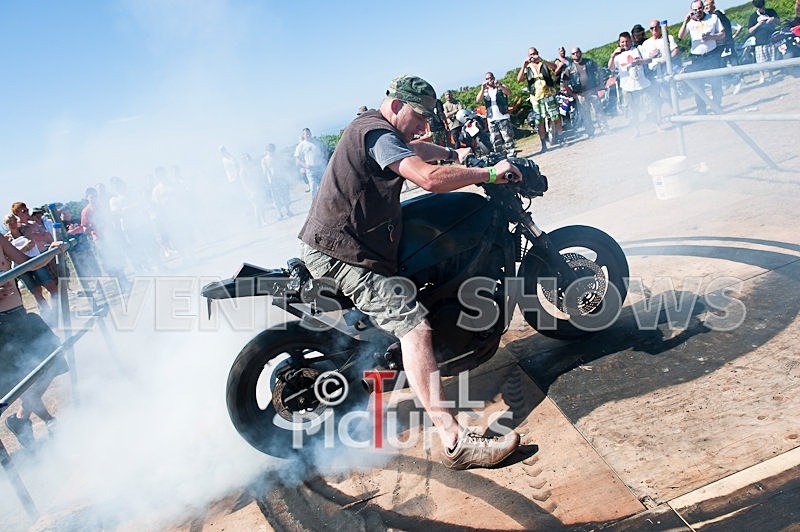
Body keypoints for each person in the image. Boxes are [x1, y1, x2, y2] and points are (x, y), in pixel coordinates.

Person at [298, 75, 522, 470]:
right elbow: (428, 178)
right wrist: (488, 174)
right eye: (420, 115)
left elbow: (415, 149)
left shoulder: (377, 128)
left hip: (349, 242)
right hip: (342, 253)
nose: (425, 124)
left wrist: (455, 154)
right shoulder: (377, 134)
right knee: (415, 328)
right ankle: (454, 440)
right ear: (398, 105)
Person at [1, 236, 68, 449]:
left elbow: (25, 262)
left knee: (53, 359)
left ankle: (21, 418)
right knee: (20, 380)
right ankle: (44, 420)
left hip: (19, 315)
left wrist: (51, 251)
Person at [678, 0, 726, 114]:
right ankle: (701, 109)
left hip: (711, 54)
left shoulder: (713, 18)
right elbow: (680, 36)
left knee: (716, 82)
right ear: (691, 11)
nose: (697, 11)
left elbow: (722, 34)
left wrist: (711, 37)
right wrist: (685, 21)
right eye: (694, 9)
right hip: (697, 57)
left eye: (699, 8)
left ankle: (717, 106)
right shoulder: (690, 22)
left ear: (703, 8)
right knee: (698, 84)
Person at [517, 48, 563, 152]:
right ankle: (543, 145)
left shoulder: (544, 63)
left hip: (549, 94)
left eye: (534, 54)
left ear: (537, 54)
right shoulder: (527, 67)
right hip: (536, 97)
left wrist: (542, 60)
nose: (532, 56)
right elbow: (519, 79)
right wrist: (524, 65)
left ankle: (561, 139)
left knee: (555, 117)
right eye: (530, 55)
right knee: (539, 121)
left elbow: (555, 68)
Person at [608, 32, 652, 136]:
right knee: (631, 111)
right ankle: (636, 131)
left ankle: (657, 126)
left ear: (631, 40)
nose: (625, 43)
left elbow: (649, 59)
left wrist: (640, 61)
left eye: (627, 41)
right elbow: (611, 67)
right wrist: (613, 55)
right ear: (619, 43)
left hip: (642, 84)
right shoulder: (617, 56)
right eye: (622, 42)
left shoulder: (638, 49)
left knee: (649, 106)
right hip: (627, 87)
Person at [642, 20, 680, 124]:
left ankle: (676, 115)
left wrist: (667, 59)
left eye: (656, 27)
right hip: (653, 72)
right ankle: (659, 121)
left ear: (660, 27)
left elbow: (676, 50)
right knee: (655, 98)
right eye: (651, 28)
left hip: (665, 69)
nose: (654, 30)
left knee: (668, 95)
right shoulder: (646, 43)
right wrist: (651, 55)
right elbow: (645, 59)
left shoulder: (668, 38)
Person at [563, 47, 605, 135]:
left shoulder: (589, 62)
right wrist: (572, 94)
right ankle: (590, 132)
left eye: (577, 52)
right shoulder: (569, 68)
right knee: (586, 115)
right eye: (573, 53)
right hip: (580, 94)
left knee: (599, 110)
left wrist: (601, 83)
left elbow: (599, 70)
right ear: (571, 55)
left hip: (592, 90)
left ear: (580, 52)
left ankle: (604, 128)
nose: (575, 55)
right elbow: (565, 83)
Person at [704, 0, 744, 93]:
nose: (706, 7)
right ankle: (731, 81)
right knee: (724, 65)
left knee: (725, 65)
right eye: (705, 5)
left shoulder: (716, 15)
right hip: (723, 44)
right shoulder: (719, 15)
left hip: (724, 44)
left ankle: (736, 81)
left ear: (713, 4)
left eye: (707, 5)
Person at [476, 72, 516, 156]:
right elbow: (478, 100)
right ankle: (500, 157)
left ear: (494, 78)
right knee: (495, 140)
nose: (489, 80)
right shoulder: (485, 91)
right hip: (491, 118)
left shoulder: (500, 87)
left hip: (503, 116)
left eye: (490, 78)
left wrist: (500, 86)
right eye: (487, 79)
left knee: (508, 138)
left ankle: (511, 155)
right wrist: (482, 89)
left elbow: (509, 92)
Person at [748, 0, 780, 84]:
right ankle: (762, 76)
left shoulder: (770, 12)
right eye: (760, 7)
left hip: (771, 39)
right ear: (756, 7)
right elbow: (750, 30)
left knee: (771, 60)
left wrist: (773, 19)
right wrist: (758, 24)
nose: (762, 8)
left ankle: (771, 74)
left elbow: (779, 23)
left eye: (763, 6)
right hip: (760, 42)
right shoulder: (753, 16)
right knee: (761, 62)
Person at [294, 128, 329, 198]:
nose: (308, 135)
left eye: (308, 133)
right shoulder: (301, 145)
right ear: (303, 135)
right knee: (313, 189)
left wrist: (325, 160)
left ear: (311, 133)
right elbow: (297, 158)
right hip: (311, 171)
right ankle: (315, 206)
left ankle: (325, 202)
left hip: (321, 168)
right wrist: (305, 165)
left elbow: (326, 150)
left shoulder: (317, 142)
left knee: (324, 187)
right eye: (306, 134)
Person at [261, 143, 293, 220]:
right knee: (276, 198)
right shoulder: (264, 160)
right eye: (269, 150)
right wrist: (267, 181)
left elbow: (284, 167)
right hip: (272, 181)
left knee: (285, 195)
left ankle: (288, 210)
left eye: (272, 150)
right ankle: (280, 213)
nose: (271, 152)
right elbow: (265, 171)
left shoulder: (279, 157)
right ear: (266, 151)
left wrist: (287, 178)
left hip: (281, 179)